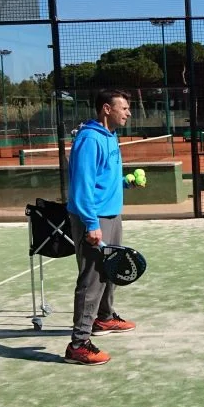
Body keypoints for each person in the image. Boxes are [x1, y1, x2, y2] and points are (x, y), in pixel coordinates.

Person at [64, 89, 139, 365]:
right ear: (106, 109)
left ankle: (104, 318)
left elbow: (102, 179)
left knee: (110, 270)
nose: (128, 113)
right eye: (124, 108)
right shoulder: (90, 139)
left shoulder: (110, 137)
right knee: (92, 279)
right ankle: (78, 344)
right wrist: (91, 224)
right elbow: (81, 186)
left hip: (111, 216)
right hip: (93, 219)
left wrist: (125, 182)